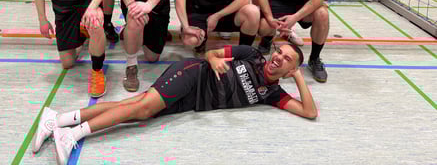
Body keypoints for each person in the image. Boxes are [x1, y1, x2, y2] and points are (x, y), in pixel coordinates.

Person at [31, 43, 317, 164]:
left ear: (290, 70)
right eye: (279, 52)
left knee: (134, 108)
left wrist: (298, 77)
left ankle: (57, 120)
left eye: (287, 60)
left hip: (193, 101)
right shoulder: (252, 55)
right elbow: (212, 53)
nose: (278, 58)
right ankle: (72, 135)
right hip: (192, 75)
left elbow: (309, 111)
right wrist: (214, 59)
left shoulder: (273, 94)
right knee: (142, 108)